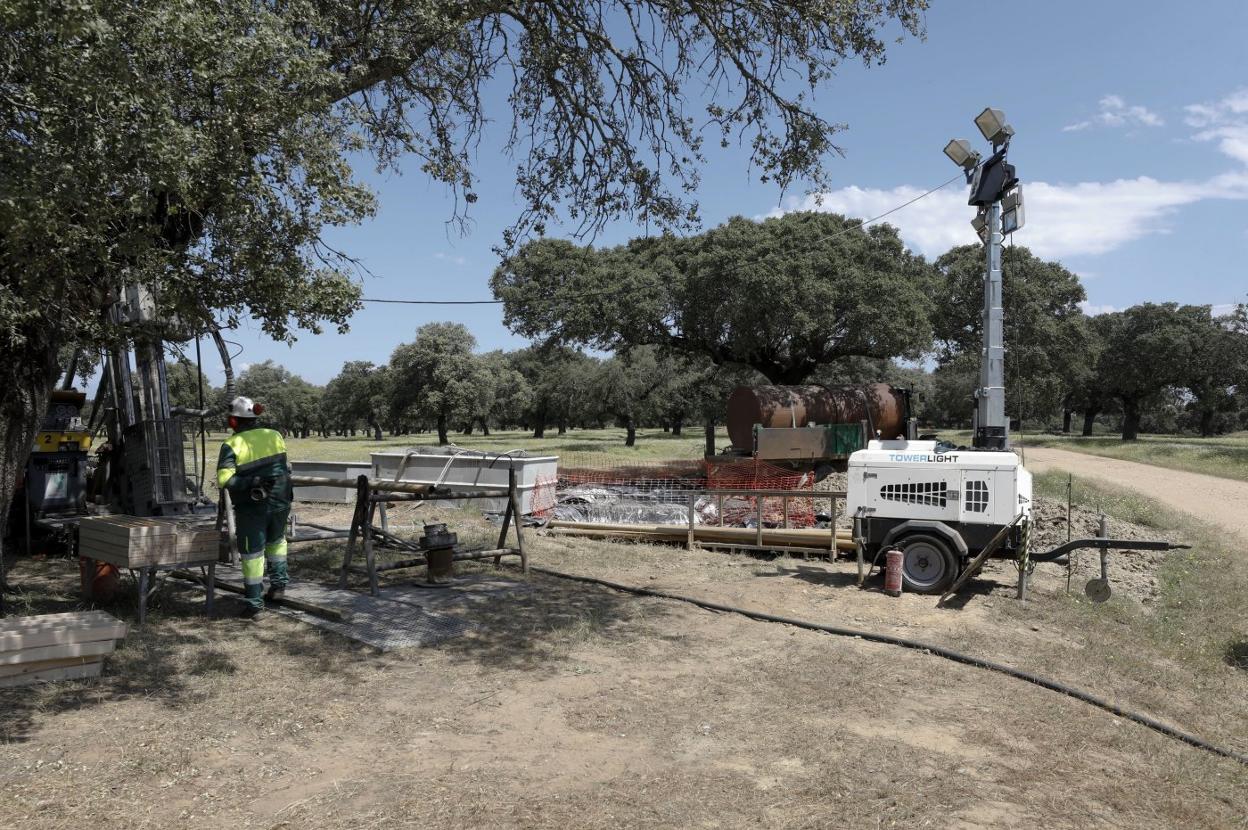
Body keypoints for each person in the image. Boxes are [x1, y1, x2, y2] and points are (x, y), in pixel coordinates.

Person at [216, 396, 293, 619]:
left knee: (252, 554)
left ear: (233, 421)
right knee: (277, 543)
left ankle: (254, 604)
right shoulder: (275, 435)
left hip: (252, 508)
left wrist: (250, 481)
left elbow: (224, 480)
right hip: (281, 502)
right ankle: (278, 588)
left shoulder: (232, 445)